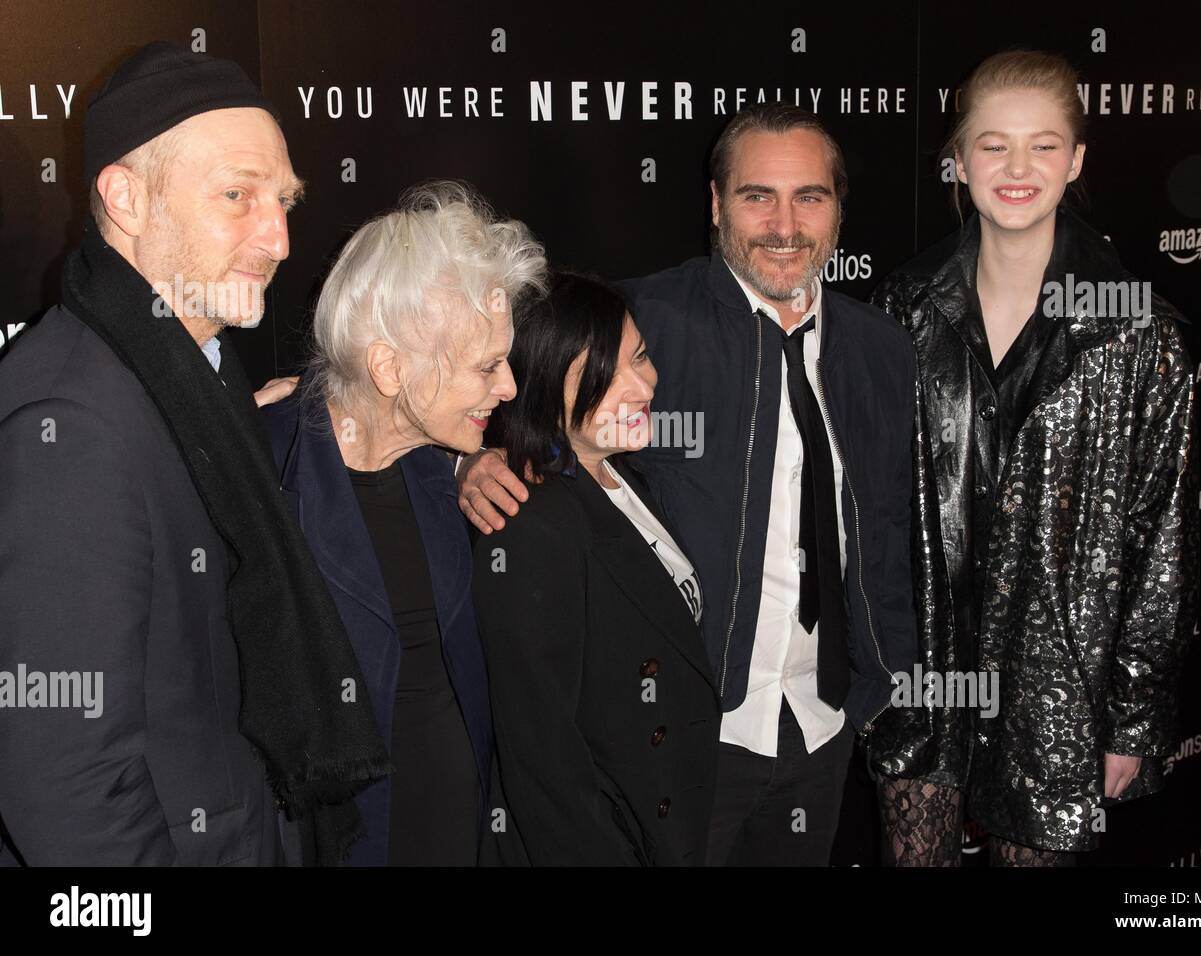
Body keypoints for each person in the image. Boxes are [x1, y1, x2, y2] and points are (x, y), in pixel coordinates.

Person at [460, 104, 919, 866]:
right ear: (715, 205)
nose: (784, 224)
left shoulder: (882, 352)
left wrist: (883, 675)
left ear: (838, 210)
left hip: (823, 724)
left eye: (810, 196)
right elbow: (471, 379)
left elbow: (890, 527)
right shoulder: (644, 321)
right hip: (687, 738)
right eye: (755, 196)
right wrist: (468, 457)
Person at [0, 41, 389, 866]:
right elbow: (64, 785)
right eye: (237, 196)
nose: (279, 239)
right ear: (126, 198)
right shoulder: (71, 428)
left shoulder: (192, 381)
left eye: (284, 200)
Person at [868, 50, 1197, 866]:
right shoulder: (903, 308)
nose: (1018, 169)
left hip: (1058, 685)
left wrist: (1131, 718)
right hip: (926, 674)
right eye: (993, 144)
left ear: (1076, 160)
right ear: (957, 157)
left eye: (1043, 145)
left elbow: (1161, 544)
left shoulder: (1135, 329)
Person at [261, 181, 546, 865]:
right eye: (486, 366)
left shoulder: (435, 461)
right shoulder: (263, 478)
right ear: (388, 367)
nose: (508, 387)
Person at [472, 272, 720, 865]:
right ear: (539, 389)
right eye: (602, 378)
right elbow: (544, 761)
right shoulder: (531, 522)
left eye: (639, 356)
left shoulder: (622, 475)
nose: (641, 386)